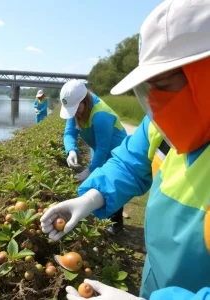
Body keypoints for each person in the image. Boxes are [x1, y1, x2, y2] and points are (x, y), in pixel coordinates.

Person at [40, 0, 210, 299]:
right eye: (150, 87)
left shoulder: (103, 116)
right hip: (157, 276)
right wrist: (92, 197)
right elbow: (129, 163)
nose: (156, 100)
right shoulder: (162, 124)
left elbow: (105, 149)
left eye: (165, 84)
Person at [60, 79, 127, 234]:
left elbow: (104, 149)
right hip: (98, 149)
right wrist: (71, 150)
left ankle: (116, 224)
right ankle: (103, 216)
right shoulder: (76, 109)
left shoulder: (100, 115)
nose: (75, 113)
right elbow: (70, 133)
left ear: (85, 101)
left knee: (112, 183)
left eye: (77, 109)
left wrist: (90, 169)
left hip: (116, 151)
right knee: (98, 181)